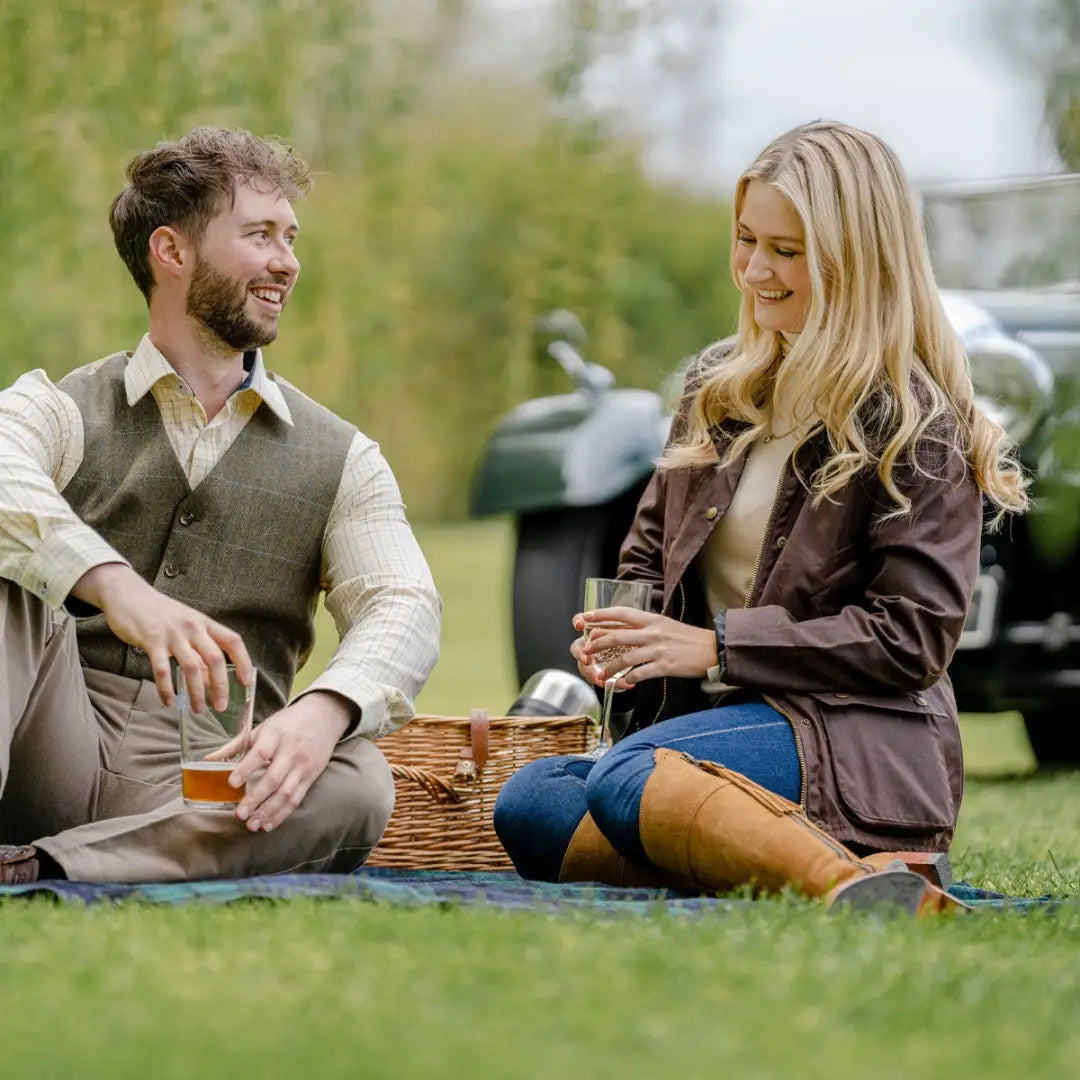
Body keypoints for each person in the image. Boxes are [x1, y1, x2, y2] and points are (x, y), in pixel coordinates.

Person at [493, 121, 1028, 912]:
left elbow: (910, 639)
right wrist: (629, 638)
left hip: (852, 744)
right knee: (530, 800)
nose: (754, 270)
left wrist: (712, 647)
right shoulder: (719, 387)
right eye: (746, 240)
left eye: (786, 250)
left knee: (628, 778)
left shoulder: (917, 422)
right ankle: (803, 870)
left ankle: (852, 885)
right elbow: (645, 560)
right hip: (712, 729)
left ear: (858, 259)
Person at [0, 127, 441, 884]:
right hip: (50, 745)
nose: (287, 262)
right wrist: (115, 588)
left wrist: (325, 708)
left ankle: (46, 869)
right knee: (6, 569)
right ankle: (88, 861)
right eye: (260, 235)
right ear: (171, 252)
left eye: (291, 237)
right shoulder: (63, 407)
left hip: (213, 784)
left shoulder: (344, 457)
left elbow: (405, 603)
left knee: (362, 779)